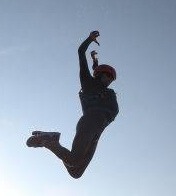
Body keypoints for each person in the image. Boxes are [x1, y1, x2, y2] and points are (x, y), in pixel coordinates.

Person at [27, 30, 119, 178]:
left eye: (112, 79)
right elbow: (80, 52)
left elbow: (97, 73)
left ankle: (54, 139)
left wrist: (95, 62)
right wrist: (89, 39)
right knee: (74, 160)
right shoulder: (88, 83)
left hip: (99, 130)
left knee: (76, 172)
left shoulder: (105, 89)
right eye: (108, 76)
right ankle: (48, 141)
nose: (109, 80)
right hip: (89, 123)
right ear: (100, 75)